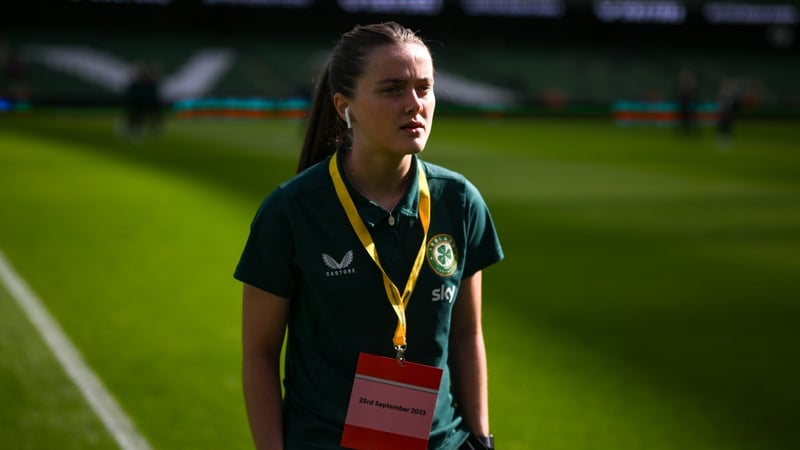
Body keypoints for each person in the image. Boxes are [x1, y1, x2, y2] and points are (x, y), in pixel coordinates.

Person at [234, 22, 504, 450]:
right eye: (392, 89)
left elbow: (466, 334)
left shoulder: (458, 200)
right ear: (346, 106)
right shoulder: (290, 211)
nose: (414, 104)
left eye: (424, 88)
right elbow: (260, 354)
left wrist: (482, 438)